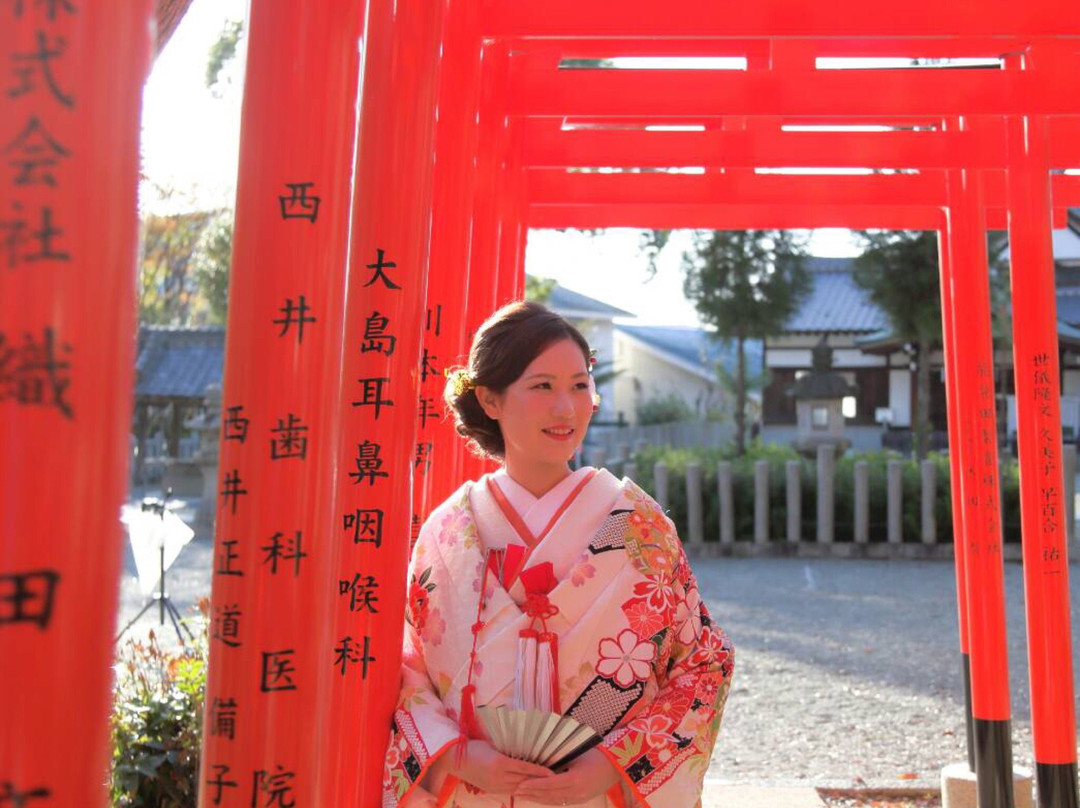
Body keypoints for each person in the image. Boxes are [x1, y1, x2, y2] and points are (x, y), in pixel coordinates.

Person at [382, 301, 734, 808]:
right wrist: (455, 756)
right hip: (477, 788)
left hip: (600, 792)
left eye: (579, 385)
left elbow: (703, 661)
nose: (567, 408)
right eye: (542, 386)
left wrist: (615, 762)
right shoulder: (448, 532)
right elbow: (407, 666)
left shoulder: (639, 524)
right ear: (490, 399)